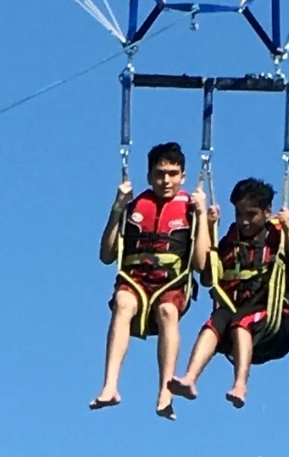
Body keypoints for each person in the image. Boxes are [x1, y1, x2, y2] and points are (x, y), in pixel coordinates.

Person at [91, 142, 208, 418]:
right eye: (159, 174)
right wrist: (117, 208)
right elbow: (106, 256)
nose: (165, 180)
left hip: (171, 283)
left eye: (172, 174)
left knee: (168, 311)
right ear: (149, 176)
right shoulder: (134, 206)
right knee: (122, 303)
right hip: (135, 279)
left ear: (183, 176)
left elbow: (201, 264)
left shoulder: (191, 209)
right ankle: (110, 386)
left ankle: (166, 392)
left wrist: (203, 216)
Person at [169, 177, 289, 409]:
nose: (244, 222)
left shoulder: (278, 237)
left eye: (251, 215)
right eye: (239, 215)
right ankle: (190, 378)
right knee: (217, 319)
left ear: (267, 212)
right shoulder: (231, 241)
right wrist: (210, 227)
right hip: (235, 310)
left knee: (241, 322)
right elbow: (207, 279)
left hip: (272, 317)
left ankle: (240, 385)